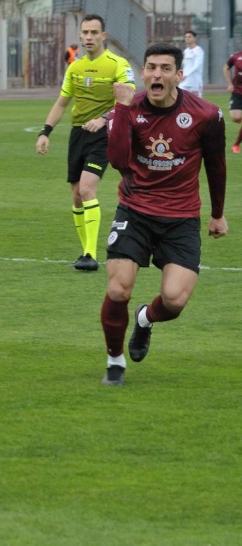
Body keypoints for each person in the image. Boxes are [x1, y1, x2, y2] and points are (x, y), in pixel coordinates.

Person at [98, 42, 227, 386]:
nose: (157, 74)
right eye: (151, 67)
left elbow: (216, 165)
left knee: (174, 300)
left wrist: (218, 214)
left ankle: (144, 319)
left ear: (178, 75)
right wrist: (122, 109)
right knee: (118, 290)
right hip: (135, 210)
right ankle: (115, 361)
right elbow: (119, 161)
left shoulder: (205, 115)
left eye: (165, 68)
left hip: (182, 217)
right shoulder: (127, 108)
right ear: (142, 73)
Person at [36, 14, 135, 272]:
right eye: (85, 33)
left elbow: (129, 98)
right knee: (76, 195)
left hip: (106, 133)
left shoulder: (117, 64)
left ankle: (90, 255)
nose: (89, 37)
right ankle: (85, 252)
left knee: (87, 189)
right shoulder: (75, 68)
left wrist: (104, 119)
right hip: (78, 133)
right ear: (80, 36)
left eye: (94, 32)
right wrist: (45, 131)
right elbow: (61, 103)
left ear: (104, 36)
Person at [221, 48, 242, 154]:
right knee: (235, 117)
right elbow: (226, 68)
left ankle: (236, 145)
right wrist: (229, 84)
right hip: (238, 91)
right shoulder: (235, 56)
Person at [180, 30, 204, 97]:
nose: (187, 38)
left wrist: (186, 75)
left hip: (195, 81)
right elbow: (184, 65)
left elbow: (197, 66)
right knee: (181, 99)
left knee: (196, 102)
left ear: (194, 38)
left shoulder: (198, 50)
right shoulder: (186, 51)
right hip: (184, 81)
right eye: (186, 37)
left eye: (189, 37)